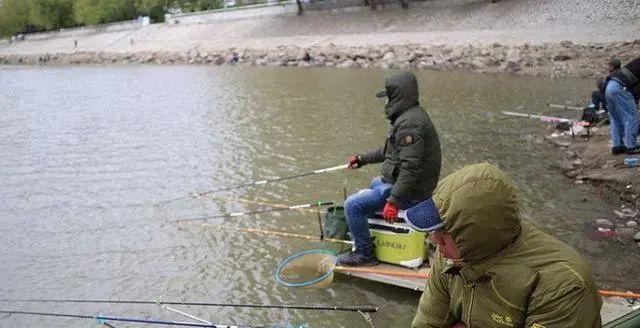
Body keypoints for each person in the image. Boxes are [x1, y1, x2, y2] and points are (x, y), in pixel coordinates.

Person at [404, 163, 602, 328]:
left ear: (475, 235)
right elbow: (428, 322)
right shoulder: (450, 256)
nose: (435, 240)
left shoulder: (563, 284)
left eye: (443, 231)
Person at [338, 71, 441, 266]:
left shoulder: (410, 124)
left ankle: (364, 254)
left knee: (352, 205)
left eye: (389, 98)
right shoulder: (409, 116)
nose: (386, 103)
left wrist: (394, 202)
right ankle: (369, 234)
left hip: (414, 193)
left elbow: (411, 168)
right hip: (407, 186)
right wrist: (361, 159)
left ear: (398, 97)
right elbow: (388, 152)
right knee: (375, 182)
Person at [606, 57, 640, 155]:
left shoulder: (636, 62)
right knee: (632, 117)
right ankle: (631, 146)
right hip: (621, 88)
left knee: (615, 117)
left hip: (610, 86)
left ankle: (617, 146)